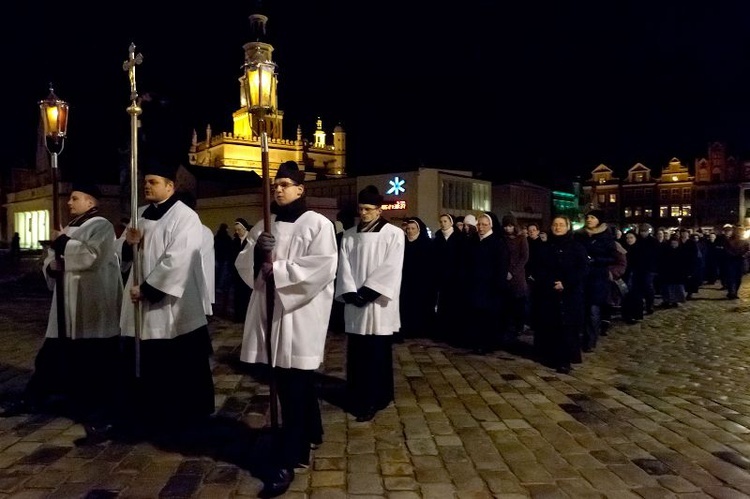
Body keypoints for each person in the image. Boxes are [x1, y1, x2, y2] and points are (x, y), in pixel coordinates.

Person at [236, 161, 338, 498]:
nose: (278, 190)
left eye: (284, 184)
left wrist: (276, 267)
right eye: (275, 185)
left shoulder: (317, 224)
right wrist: (257, 254)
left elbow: (321, 267)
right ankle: (311, 431)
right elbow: (245, 263)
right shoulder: (267, 225)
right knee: (290, 381)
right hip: (272, 313)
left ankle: (291, 455)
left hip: (300, 314)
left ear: (300, 188)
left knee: (295, 383)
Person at [2, 183, 123, 437]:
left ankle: (94, 408)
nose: (69, 203)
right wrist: (51, 266)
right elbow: (50, 256)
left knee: (92, 360)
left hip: (89, 304)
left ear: (90, 202)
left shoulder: (101, 225)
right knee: (50, 356)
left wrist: (63, 245)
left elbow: (92, 256)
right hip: (65, 304)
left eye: (75, 198)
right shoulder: (70, 227)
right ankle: (34, 397)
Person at [117, 153, 216, 440]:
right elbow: (120, 252)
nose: (146, 186)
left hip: (172, 305)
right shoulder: (140, 215)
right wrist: (128, 245)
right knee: (145, 365)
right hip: (141, 305)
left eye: (152, 182)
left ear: (170, 186)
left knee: (177, 367)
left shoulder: (185, 217)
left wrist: (149, 289)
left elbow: (179, 258)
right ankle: (147, 414)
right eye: (145, 182)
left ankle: (182, 418)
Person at [335, 185, 404, 423]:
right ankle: (357, 395)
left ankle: (376, 398)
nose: (363, 213)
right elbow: (343, 265)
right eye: (360, 209)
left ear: (378, 209)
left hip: (377, 304)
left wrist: (368, 293)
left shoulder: (393, 234)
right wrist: (351, 292)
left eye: (368, 209)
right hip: (355, 302)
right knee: (357, 353)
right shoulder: (350, 235)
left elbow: (392, 267)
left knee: (377, 353)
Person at [533, 215, 587, 373]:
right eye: (555, 224)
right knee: (552, 325)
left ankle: (565, 359)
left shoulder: (577, 247)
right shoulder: (545, 247)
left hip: (570, 293)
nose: (558, 227)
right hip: (549, 292)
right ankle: (551, 355)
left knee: (568, 328)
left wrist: (566, 283)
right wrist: (550, 282)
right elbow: (539, 268)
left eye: (561, 225)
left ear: (567, 227)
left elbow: (582, 269)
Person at [232, 218, 253, 322]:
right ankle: (239, 316)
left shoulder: (250, 239)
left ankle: (247, 316)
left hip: (248, 271)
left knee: (247, 294)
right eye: (235, 230)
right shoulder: (235, 240)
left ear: (244, 229)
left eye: (239, 230)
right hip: (237, 272)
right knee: (238, 294)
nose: (237, 232)